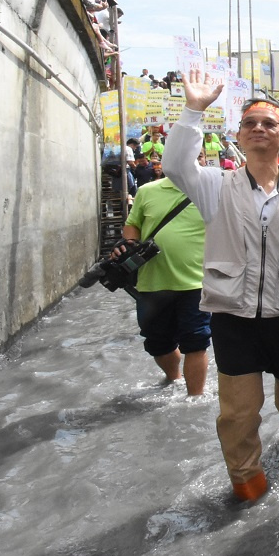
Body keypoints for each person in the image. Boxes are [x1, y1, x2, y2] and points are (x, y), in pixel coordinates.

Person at [164, 79, 279, 502]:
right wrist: (193, 110)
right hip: (233, 319)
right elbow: (175, 165)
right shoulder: (214, 186)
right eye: (249, 124)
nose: (258, 128)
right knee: (238, 412)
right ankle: (246, 483)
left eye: (268, 123)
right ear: (239, 136)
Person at [117, 154, 210, 396]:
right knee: (157, 342)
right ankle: (174, 379)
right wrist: (129, 243)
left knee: (196, 341)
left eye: (194, 156)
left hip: (196, 283)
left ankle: (195, 397)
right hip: (152, 282)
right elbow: (133, 223)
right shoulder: (147, 191)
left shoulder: (210, 191)